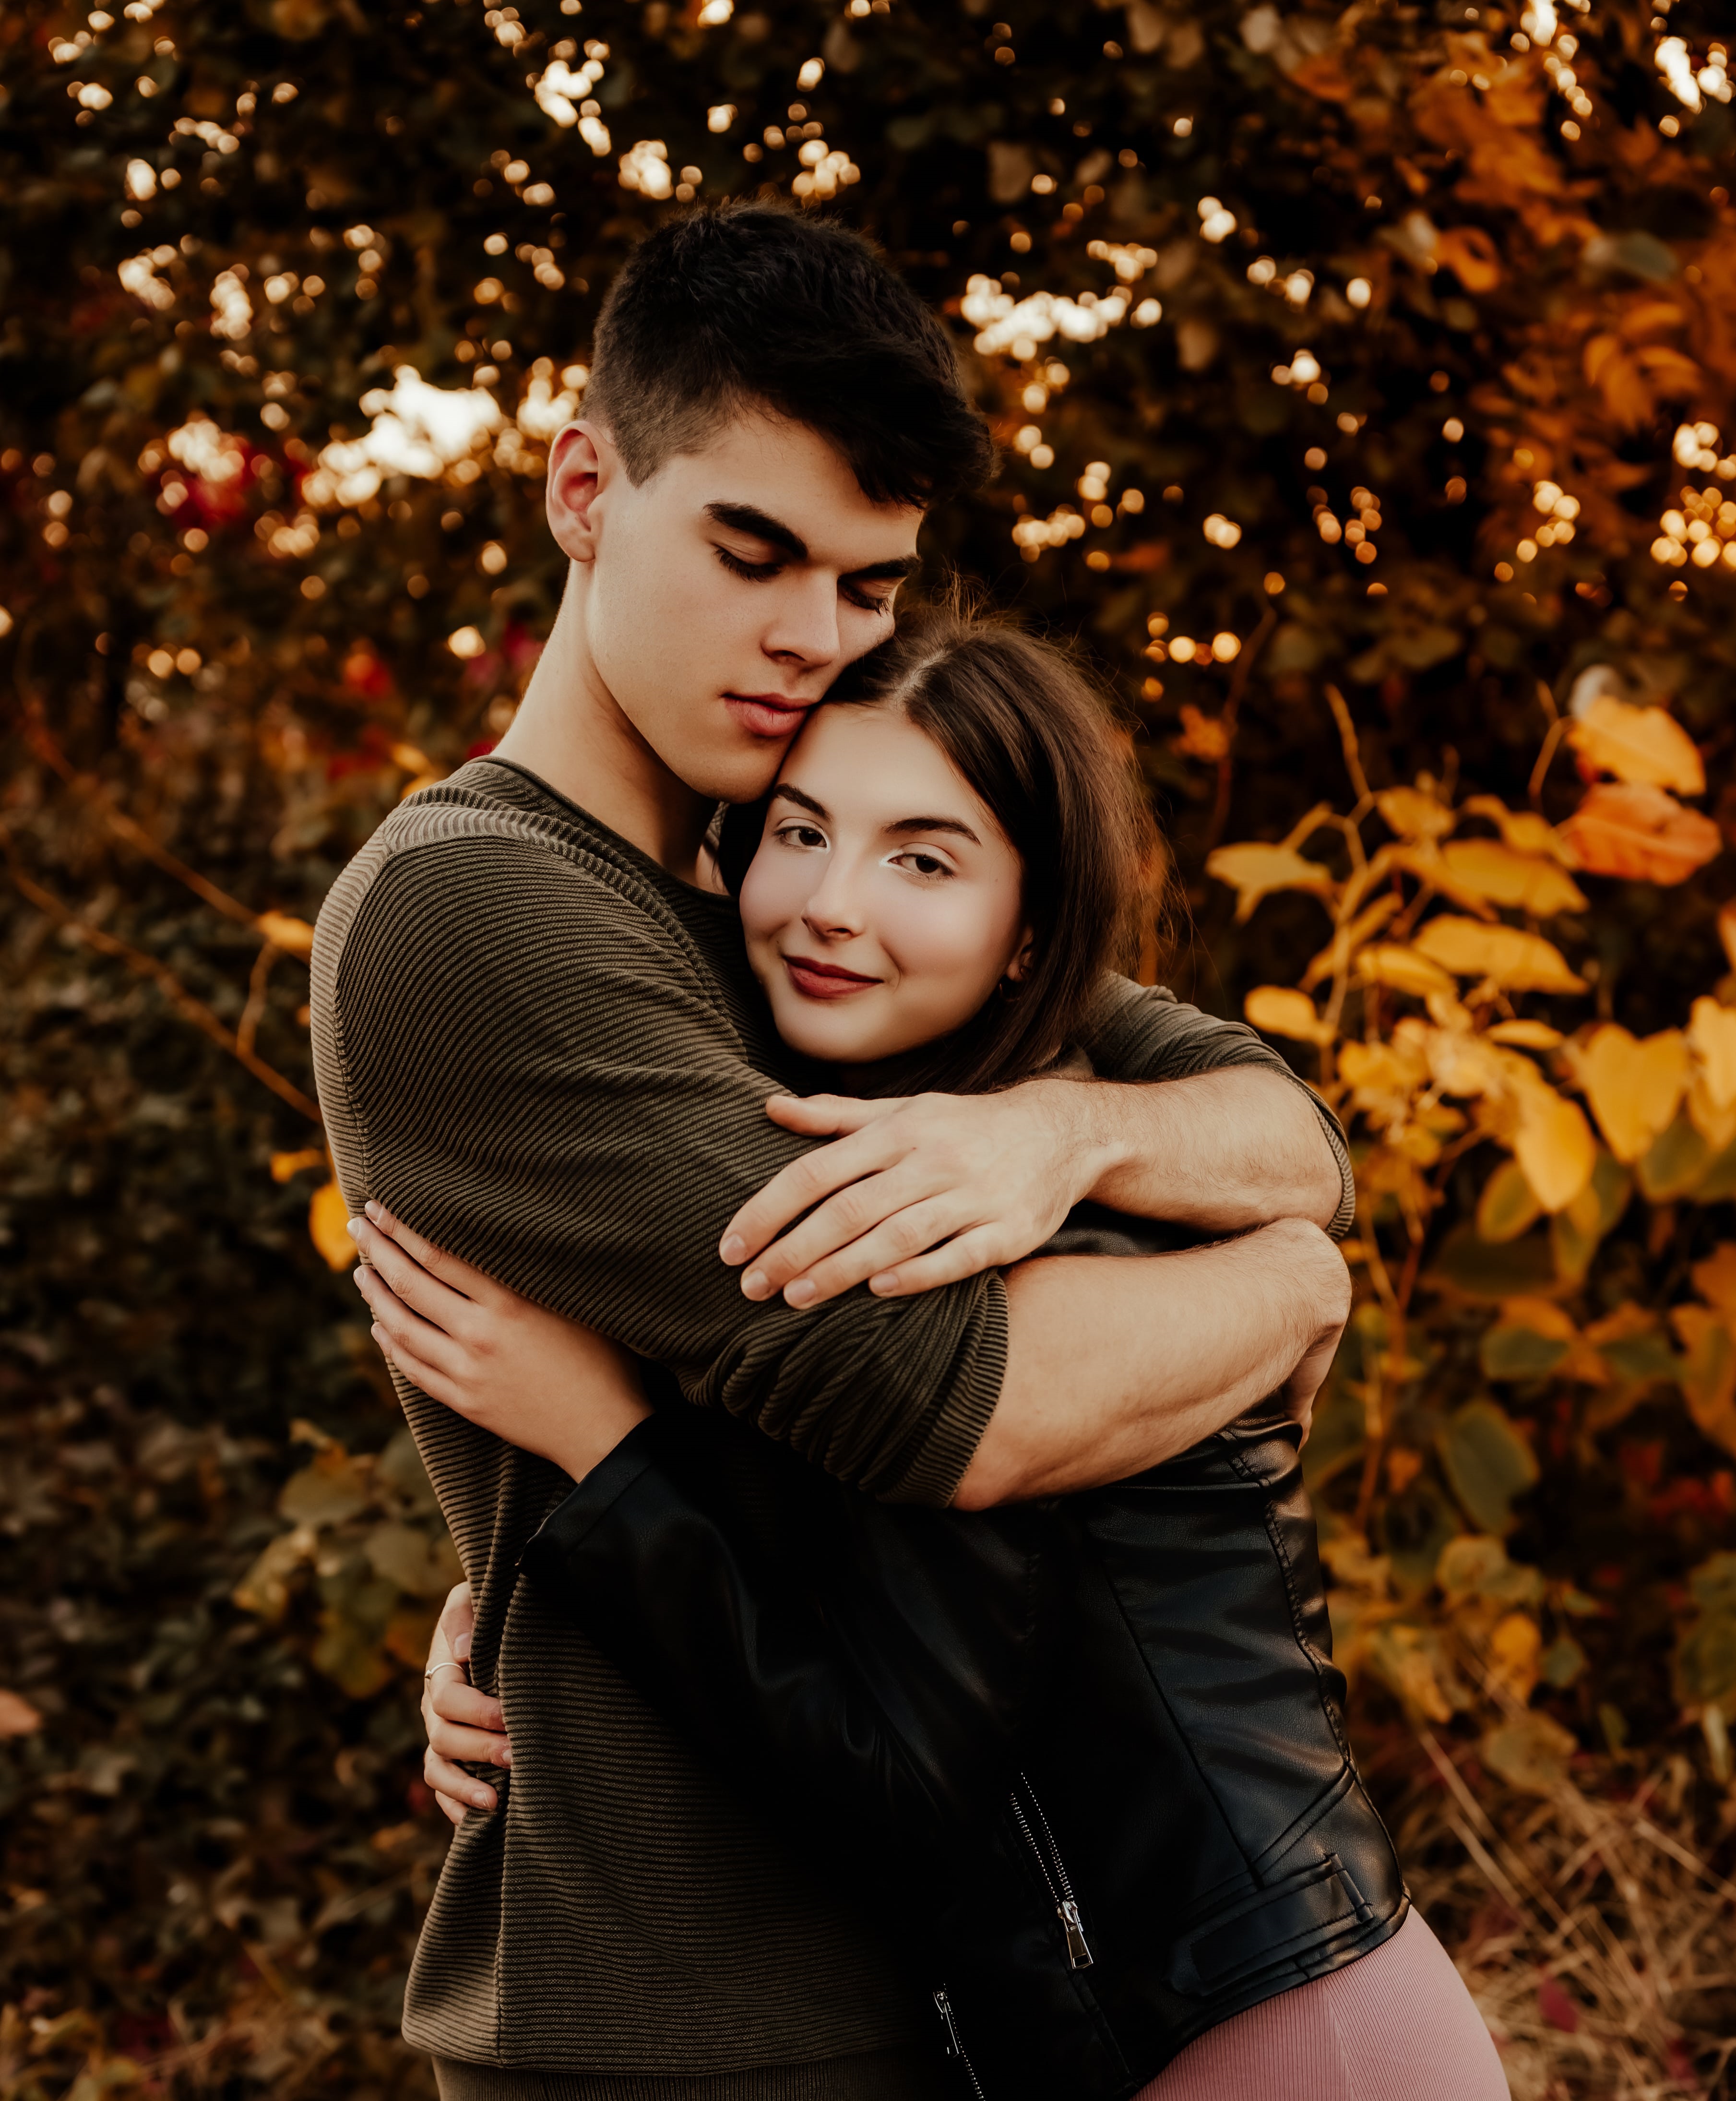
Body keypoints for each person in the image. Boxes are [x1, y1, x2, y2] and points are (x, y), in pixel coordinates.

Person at [311, 201, 1358, 2101]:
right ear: (578, 487)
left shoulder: (790, 884)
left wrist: (1058, 1133)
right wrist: (1287, 1286)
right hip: (675, 2035)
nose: (815, 636)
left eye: (868, 586)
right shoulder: (472, 912)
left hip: (949, 1987)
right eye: (752, 549)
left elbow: (1278, 1126)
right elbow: (945, 1403)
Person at [351, 604, 1508, 2100]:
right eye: (801, 832)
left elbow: (893, 1771)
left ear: (1027, 930)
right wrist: (518, 1611)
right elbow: (851, 1566)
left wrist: (605, 1459)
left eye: (922, 859)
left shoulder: (1011, 1230)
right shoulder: (864, 1140)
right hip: (1156, 2021)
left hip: (1266, 2033)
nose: (834, 903)